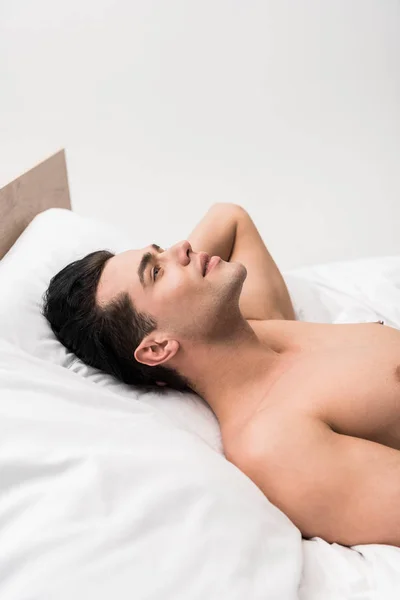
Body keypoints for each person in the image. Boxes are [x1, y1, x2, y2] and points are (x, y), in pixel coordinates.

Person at [43, 202, 400, 548]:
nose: (183, 247)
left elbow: (229, 217)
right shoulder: (277, 443)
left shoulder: (264, 325)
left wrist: (179, 286)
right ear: (156, 349)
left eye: (163, 250)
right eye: (155, 271)